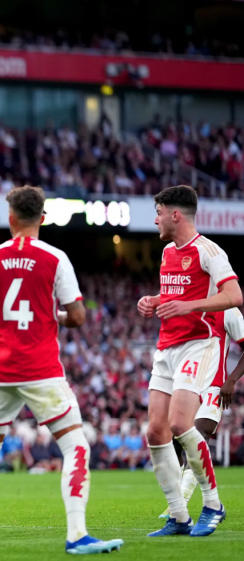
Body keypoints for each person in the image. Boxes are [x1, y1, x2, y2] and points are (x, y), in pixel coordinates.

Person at [0, 186, 123, 554]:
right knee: (76, 446)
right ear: (43, 218)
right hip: (41, 369)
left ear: (10, 218)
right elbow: (78, 317)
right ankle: (77, 534)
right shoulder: (55, 258)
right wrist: (55, 315)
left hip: (1, 370)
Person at [137, 185, 242, 537]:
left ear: (175, 214)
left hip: (199, 344)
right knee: (155, 431)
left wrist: (190, 306)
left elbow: (234, 295)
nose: (156, 220)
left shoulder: (209, 251)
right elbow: (174, 294)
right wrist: (154, 300)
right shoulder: (168, 252)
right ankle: (179, 516)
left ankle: (213, 505)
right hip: (166, 346)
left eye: (158, 213)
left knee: (181, 424)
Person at [159, 307, 244, 518]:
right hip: (188, 385)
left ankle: (179, 504)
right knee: (174, 440)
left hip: (215, 387)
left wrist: (232, 379)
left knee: (198, 436)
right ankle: (182, 498)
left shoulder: (228, 311)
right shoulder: (190, 308)